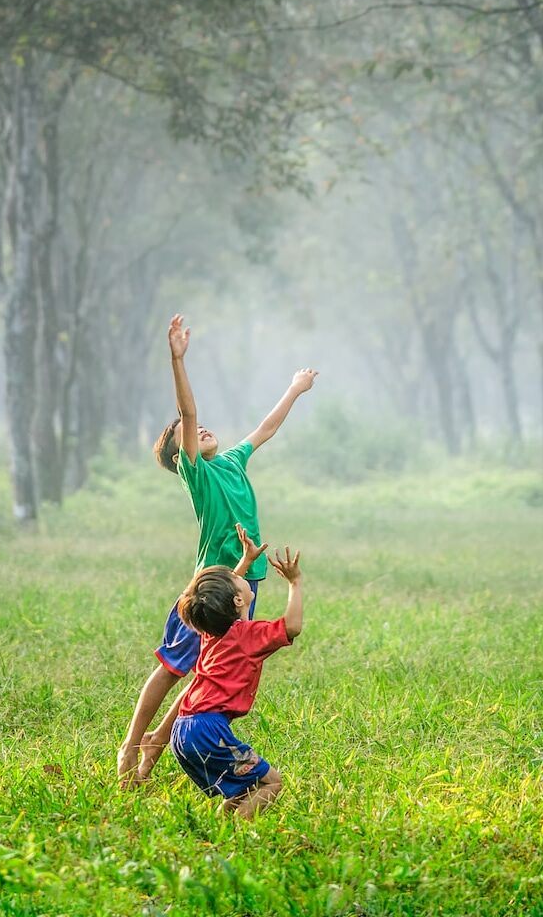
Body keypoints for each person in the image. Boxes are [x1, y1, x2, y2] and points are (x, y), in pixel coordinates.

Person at [117, 313, 316, 784]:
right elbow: (187, 413)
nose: (200, 428)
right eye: (187, 434)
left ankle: (151, 758)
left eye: (202, 427)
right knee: (172, 668)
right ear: (178, 455)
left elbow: (265, 429)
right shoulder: (198, 474)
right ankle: (131, 747)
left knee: (207, 675)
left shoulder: (230, 460)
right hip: (210, 586)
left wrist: (294, 389)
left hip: (246, 582)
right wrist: (177, 359)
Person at [166, 544, 304, 818]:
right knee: (272, 782)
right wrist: (295, 582)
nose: (239, 575)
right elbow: (292, 626)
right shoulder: (248, 636)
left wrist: (245, 560)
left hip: (182, 730)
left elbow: (218, 599)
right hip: (209, 732)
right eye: (238, 577)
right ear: (237, 601)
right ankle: (239, 833)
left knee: (245, 786)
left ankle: (222, 826)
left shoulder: (211, 631)